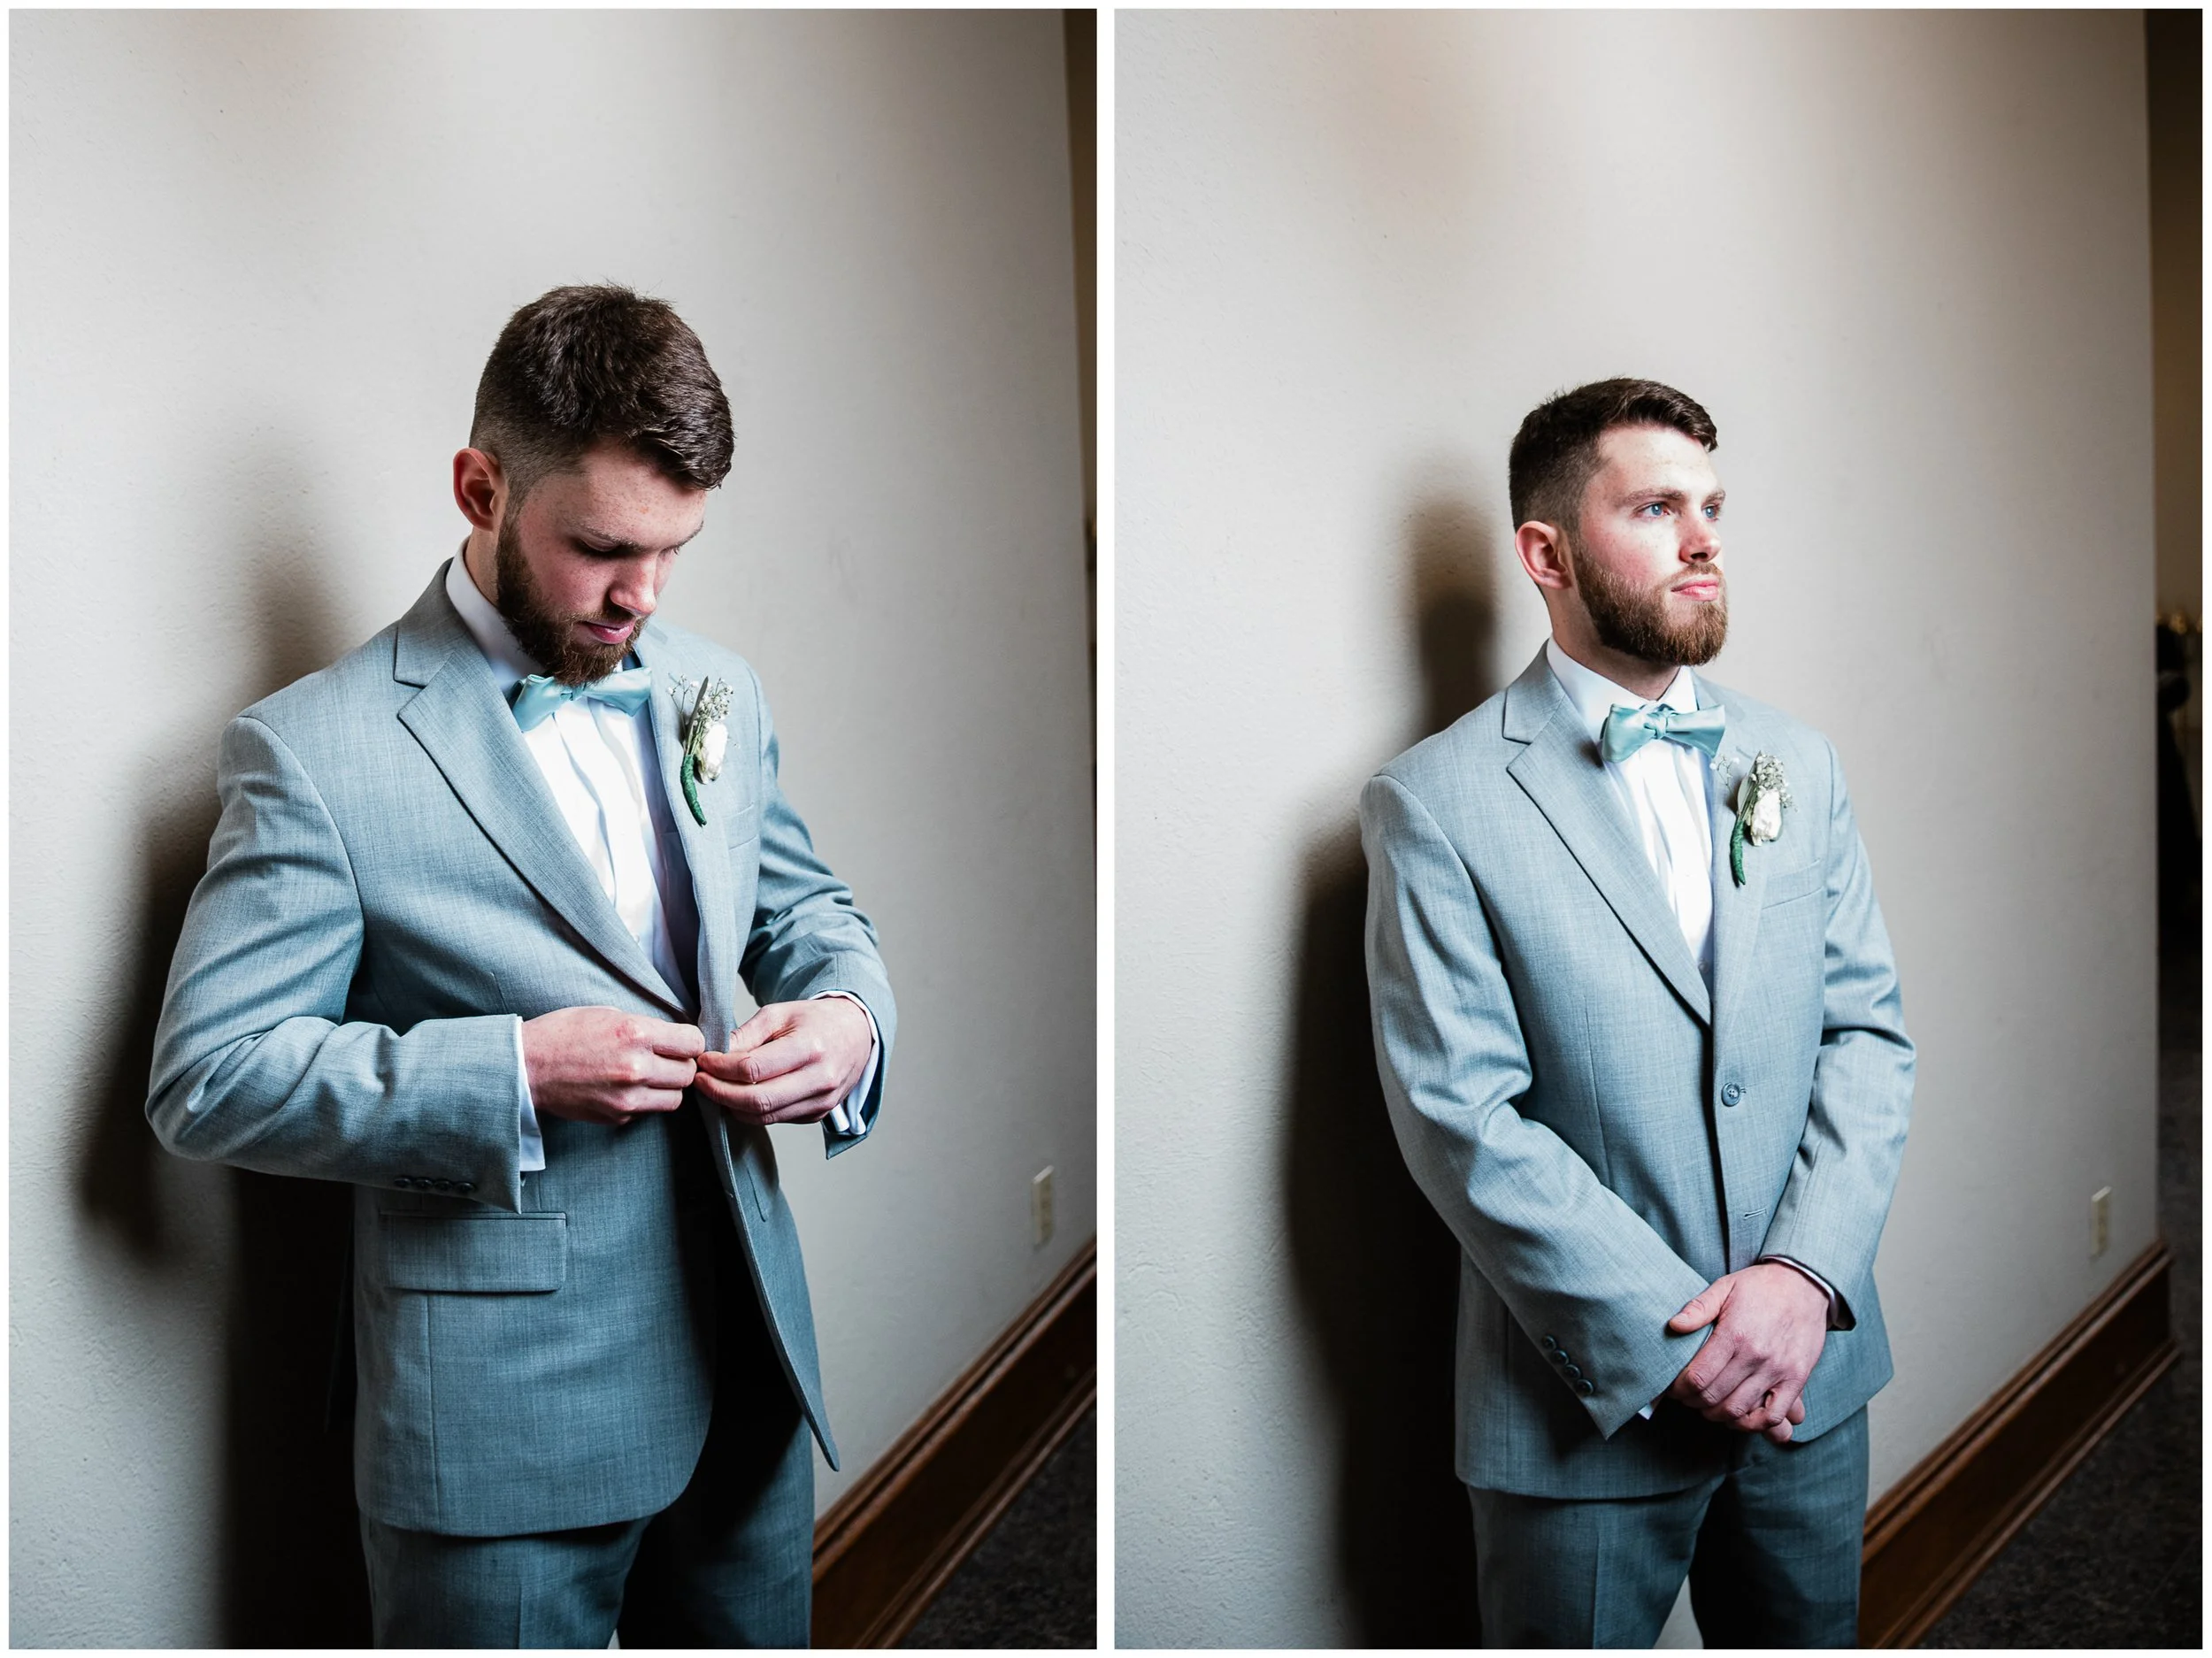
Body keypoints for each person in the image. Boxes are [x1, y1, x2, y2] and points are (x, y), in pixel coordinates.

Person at [148, 284, 895, 1647]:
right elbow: (209, 1075)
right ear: (481, 489)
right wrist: (513, 1070)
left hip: (746, 1364)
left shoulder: (714, 687)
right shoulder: (312, 752)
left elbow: (807, 910)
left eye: (674, 551)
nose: (642, 598)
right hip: (498, 1430)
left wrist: (847, 1017)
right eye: (603, 547)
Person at [1360, 378, 1913, 1647]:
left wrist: (1800, 1279)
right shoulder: (1435, 802)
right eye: (1657, 508)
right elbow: (1460, 1117)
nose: (1703, 539)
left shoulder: (1795, 761)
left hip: (1812, 1377)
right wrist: (1680, 1344)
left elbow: (1866, 1036)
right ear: (1546, 555)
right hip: (1583, 1417)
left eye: (1712, 507)